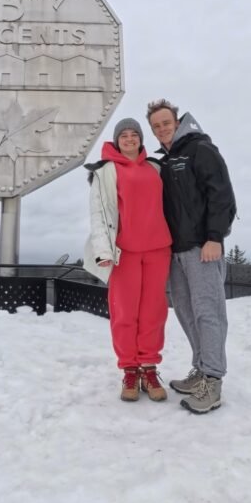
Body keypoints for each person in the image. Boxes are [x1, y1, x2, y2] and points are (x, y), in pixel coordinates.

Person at [146, 99, 236, 414]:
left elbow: (222, 195)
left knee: (208, 312)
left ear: (178, 121)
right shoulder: (167, 161)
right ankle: (200, 368)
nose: (162, 129)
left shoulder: (200, 149)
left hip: (202, 248)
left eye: (166, 123)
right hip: (175, 251)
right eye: (156, 126)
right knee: (186, 311)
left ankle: (213, 379)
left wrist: (215, 237)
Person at [83, 117, 172, 402]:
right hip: (124, 252)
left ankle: (149, 368)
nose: (130, 139)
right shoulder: (105, 171)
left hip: (158, 248)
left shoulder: (156, 168)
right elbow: (99, 213)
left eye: (135, 134)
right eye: (124, 135)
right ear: (117, 140)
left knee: (153, 311)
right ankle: (130, 370)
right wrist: (103, 251)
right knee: (124, 312)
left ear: (141, 139)